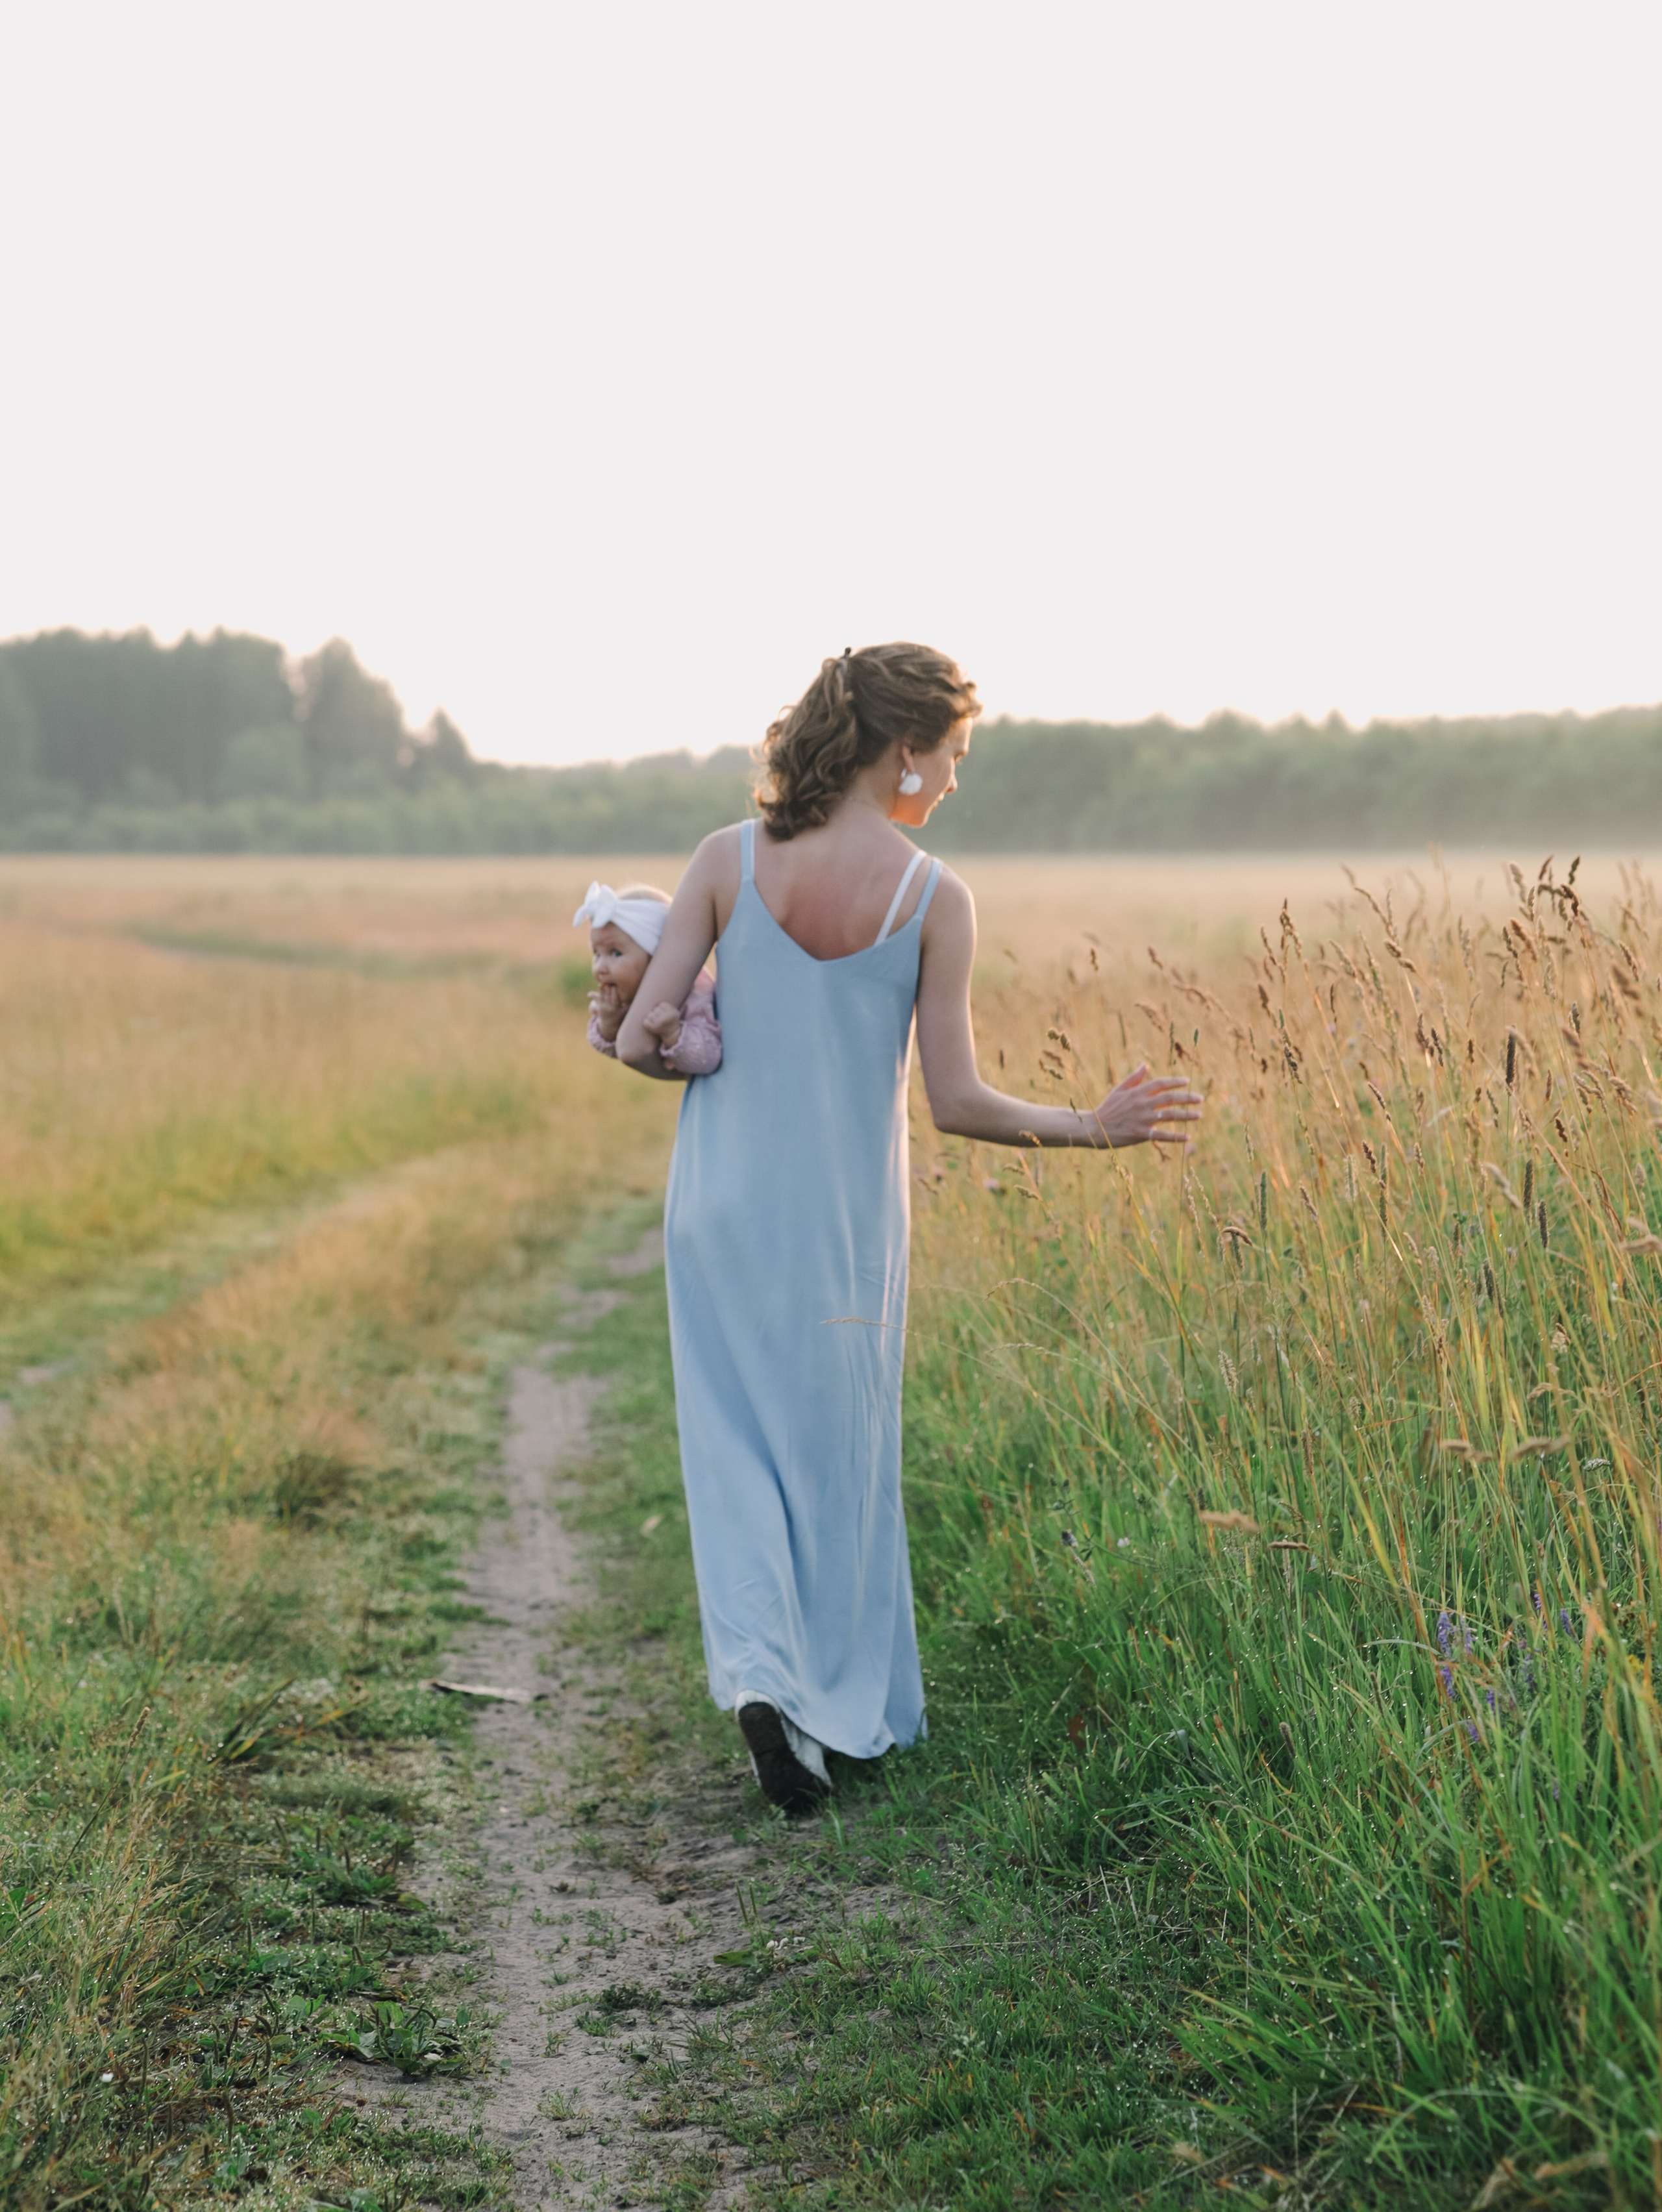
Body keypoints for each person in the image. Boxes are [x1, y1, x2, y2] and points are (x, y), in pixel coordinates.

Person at [612, 643, 1201, 1813]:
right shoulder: (935, 898)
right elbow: (958, 1102)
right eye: (953, 755)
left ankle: (761, 1684)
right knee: (836, 1462)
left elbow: (642, 1036)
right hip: (841, 1229)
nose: (953, 778)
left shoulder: (726, 860)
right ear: (904, 747)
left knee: (732, 1458)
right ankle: (829, 1710)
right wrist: (1095, 1125)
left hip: (722, 1209)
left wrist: (693, 1022)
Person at [575, 880, 722, 1075]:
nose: (600, 967)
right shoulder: (618, 1000)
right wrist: (609, 1024)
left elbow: (709, 1060)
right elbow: (616, 1051)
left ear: (656, 955)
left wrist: (674, 1033)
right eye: (597, 954)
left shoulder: (695, 997)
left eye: (616, 953)